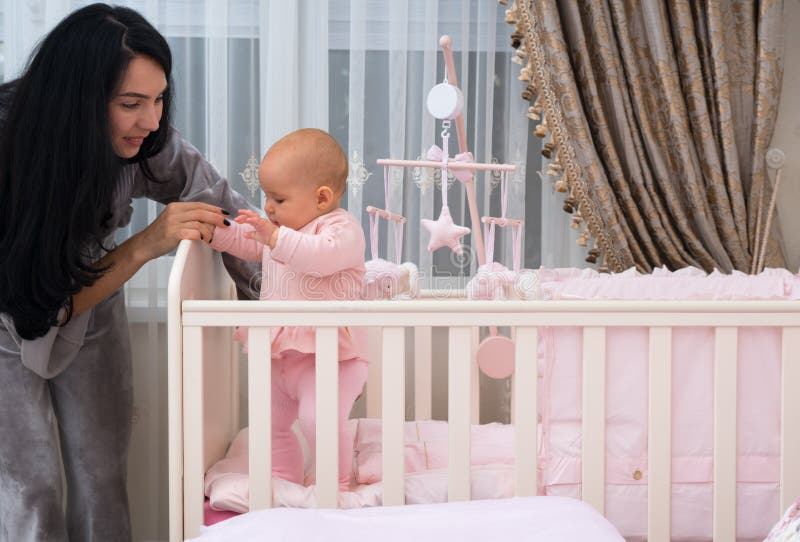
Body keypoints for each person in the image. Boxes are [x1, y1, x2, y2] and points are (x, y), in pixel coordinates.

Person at [0, 4, 259, 541]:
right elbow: (36, 307)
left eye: (160, 99)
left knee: (101, 479)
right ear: (78, 103)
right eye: (130, 103)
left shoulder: (147, 143)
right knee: (31, 489)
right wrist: (146, 244)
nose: (152, 120)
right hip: (11, 305)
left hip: (91, 302)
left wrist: (284, 297)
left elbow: (224, 208)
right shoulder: (10, 146)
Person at [209, 128, 368, 491]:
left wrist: (275, 236)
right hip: (282, 351)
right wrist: (214, 232)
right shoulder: (280, 230)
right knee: (268, 423)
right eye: (266, 197)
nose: (268, 207)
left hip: (332, 354)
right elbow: (245, 241)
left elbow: (319, 259)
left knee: (318, 419)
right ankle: (282, 481)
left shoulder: (340, 229)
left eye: (278, 199)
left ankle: (336, 485)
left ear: (322, 198)